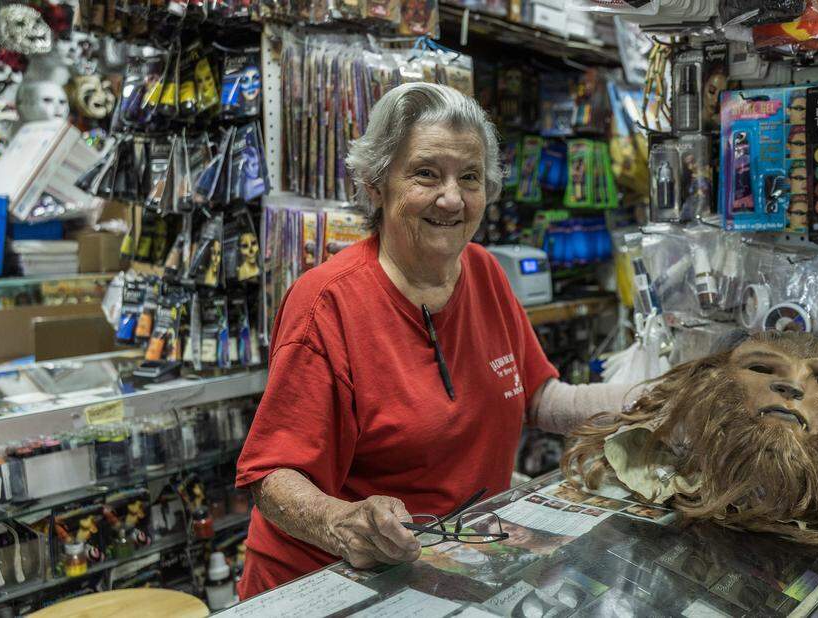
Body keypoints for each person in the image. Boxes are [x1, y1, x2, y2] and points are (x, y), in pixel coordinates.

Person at [234, 83, 639, 599]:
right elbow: (271, 477)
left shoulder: (485, 272)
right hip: (326, 584)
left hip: (443, 567)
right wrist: (343, 521)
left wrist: (656, 400)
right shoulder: (327, 304)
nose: (452, 198)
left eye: (469, 177)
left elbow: (540, 398)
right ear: (376, 184)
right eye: (426, 174)